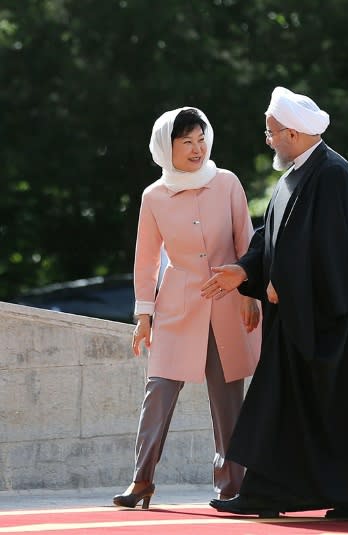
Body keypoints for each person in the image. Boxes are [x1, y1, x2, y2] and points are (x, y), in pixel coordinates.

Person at [201, 87, 348, 519]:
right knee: (283, 409)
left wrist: (287, 283)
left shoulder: (332, 172)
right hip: (297, 319)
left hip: (329, 321)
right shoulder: (295, 173)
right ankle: (272, 493)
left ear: (294, 133)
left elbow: (330, 248)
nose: (268, 139)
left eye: (271, 131)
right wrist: (245, 270)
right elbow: (271, 238)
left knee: (330, 409)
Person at [113, 107, 261, 509]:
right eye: (186, 142)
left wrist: (250, 295)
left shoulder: (227, 182)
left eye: (201, 139)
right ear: (167, 147)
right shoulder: (154, 196)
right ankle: (141, 480)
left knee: (228, 399)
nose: (197, 149)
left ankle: (230, 485)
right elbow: (146, 259)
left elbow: (246, 242)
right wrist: (143, 316)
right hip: (177, 306)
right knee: (157, 392)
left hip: (228, 303)